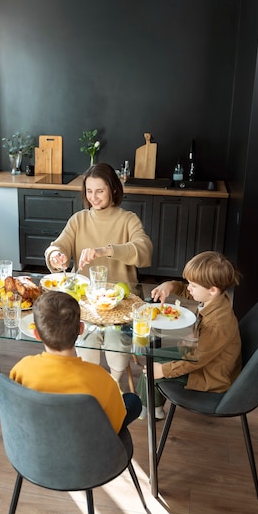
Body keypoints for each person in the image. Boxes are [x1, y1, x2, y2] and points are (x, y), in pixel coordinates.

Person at [44, 162, 153, 383]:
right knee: (87, 336)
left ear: (113, 189)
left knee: (114, 338)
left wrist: (107, 250)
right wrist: (56, 254)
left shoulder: (128, 219)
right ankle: (92, 384)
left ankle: (114, 384)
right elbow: (57, 246)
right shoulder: (78, 220)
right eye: (89, 191)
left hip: (122, 302)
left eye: (100, 191)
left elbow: (144, 251)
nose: (94, 197)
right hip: (84, 301)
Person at [10, 290, 142, 431]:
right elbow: (113, 427)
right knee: (133, 401)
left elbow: (16, 411)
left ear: (36, 334)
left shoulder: (21, 368)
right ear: (81, 328)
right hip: (87, 448)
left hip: (38, 444)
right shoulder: (102, 379)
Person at [136, 251, 242, 420]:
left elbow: (196, 360)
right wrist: (170, 285)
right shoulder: (216, 298)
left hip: (210, 374)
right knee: (152, 357)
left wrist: (163, 370)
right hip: (204, 356)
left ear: (212, 290)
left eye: (193, 285)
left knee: (151, 369)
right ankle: (150, 405)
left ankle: (148, 409)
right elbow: (190, 292)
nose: (189, 288)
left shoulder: (218, 324)